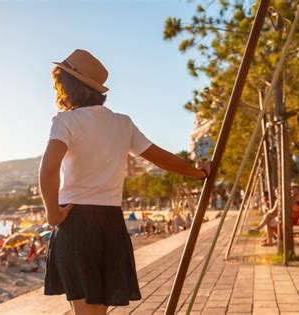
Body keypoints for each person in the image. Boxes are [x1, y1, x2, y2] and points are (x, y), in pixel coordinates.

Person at [40, 49, 211, 314]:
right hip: (111, 224)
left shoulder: (66, 121)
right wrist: (200, 173)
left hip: (76, 222)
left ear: (69, 87)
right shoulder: (122, 123)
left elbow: (48, 169)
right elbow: (162, 159)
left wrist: (53, 213)